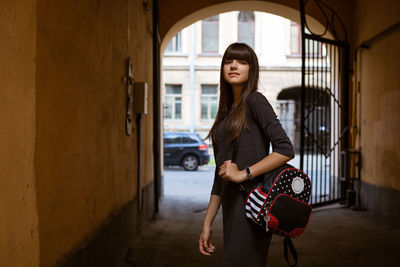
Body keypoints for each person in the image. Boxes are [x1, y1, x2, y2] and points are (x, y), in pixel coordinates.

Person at [198, 43, 295, 267]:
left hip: (253, 203)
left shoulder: (255, 101)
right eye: (228, 61)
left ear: (252, 69)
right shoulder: (226, 112)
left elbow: (285, 149)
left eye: (242, 62)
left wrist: (244, 173)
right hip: (232, 206)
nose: (233, 66)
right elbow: (219, 176)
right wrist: (207, 221)